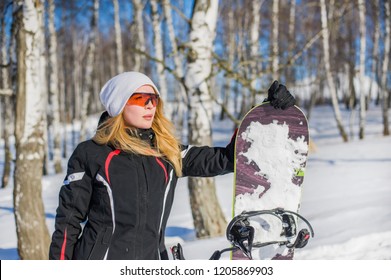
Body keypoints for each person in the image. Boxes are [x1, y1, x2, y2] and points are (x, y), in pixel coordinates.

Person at [49, 71, 296, 260]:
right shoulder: (91, 153)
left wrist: (264, 114)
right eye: (140, 98)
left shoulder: (167, 152)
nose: (149, 105)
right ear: (119, 104)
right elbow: (68, 221)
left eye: (153, 99)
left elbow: (228, 158)